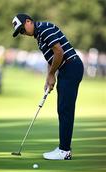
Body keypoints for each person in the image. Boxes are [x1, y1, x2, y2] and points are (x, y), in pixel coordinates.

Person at [12, 13, 84, 160]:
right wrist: (48, 77)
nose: (23, 33)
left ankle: (64, 151)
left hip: (71, 67)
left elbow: (59, 52)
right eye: (20, 32)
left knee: (65, 109)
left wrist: (52, 74)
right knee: (63, 109)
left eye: (22, 29)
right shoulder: (39, 36)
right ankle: (64, 148)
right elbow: (51, 58)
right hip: (66, 69)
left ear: (28, 22)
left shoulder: (44, 29)